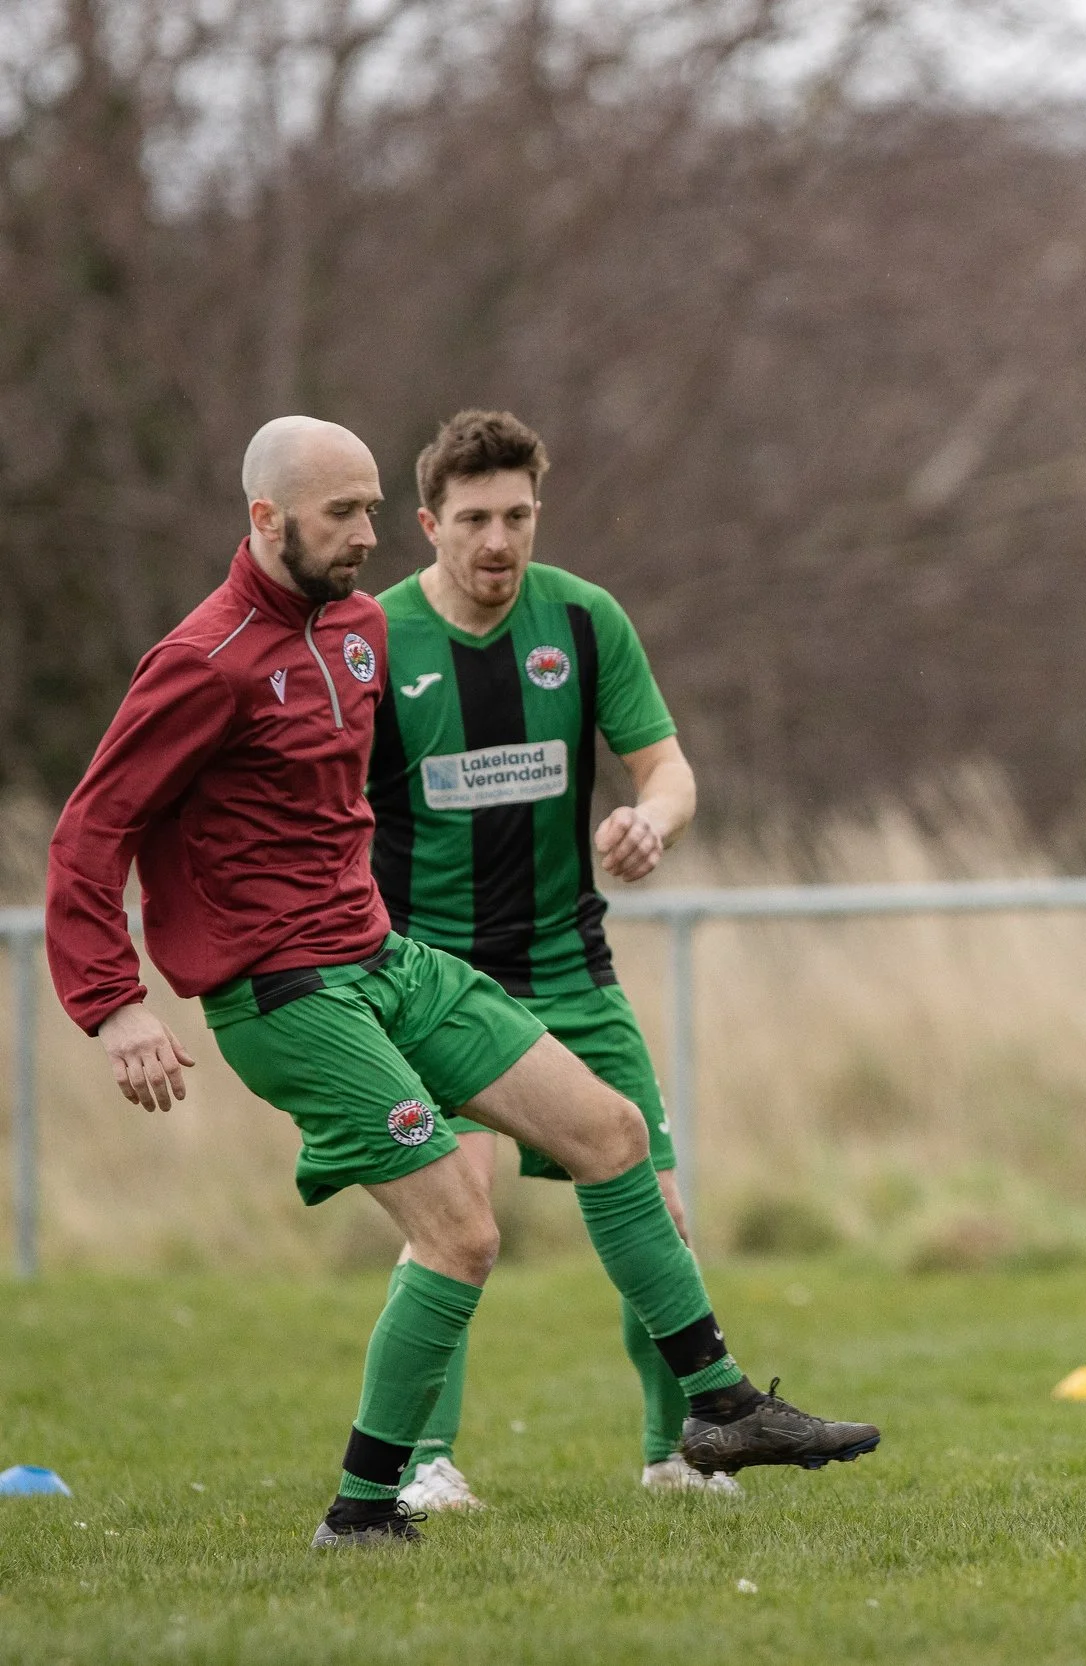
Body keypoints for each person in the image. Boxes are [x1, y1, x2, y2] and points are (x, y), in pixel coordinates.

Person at [45, 415, 879, 1549]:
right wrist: (115, 1003)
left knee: (614, 1133)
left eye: (374, 506)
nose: (368, 533)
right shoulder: (204, 660)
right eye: (343, 512)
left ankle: (720, 1407)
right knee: (459, 1228)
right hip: (286, 997)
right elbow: (92, 830)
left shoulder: (351, 631)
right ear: (265, 518)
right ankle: (369, 1504)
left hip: (388, 961)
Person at [365, 410, 727, 1509]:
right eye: (473, 518)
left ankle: (678, 1452)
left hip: (571, 970)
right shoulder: (374, 641)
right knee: (455, 1213)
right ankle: (427, 1464)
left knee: (656, 1205)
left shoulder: (582, 617)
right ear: (428, 523)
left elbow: (668, 770)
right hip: (433, 980)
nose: (497, 540)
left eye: (516, 515)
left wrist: (651, 824)